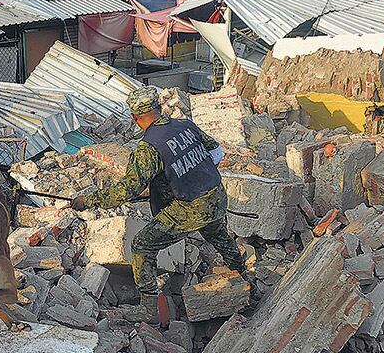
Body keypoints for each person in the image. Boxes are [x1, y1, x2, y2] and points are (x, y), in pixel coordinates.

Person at [71, 86, 252, 324]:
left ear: (135, 118)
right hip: (215, 195)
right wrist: (190, 176)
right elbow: (215, 151)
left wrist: (89, 201)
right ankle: (246, 280)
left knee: (142, 246)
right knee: (218, 236)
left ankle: (148, 308)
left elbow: (128, 189)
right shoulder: (184, 125)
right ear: (158, 108)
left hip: (190, 207)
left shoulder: (148, 147)